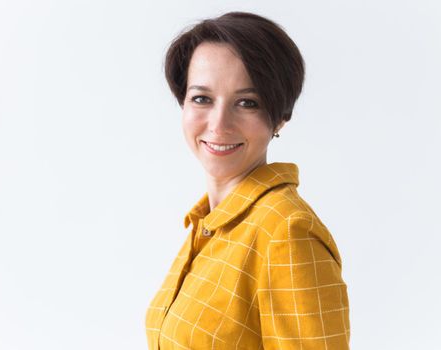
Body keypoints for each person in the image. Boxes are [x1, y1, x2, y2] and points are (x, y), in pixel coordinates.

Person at [145, 11, 350, 349]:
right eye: (202, 98)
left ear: (280, 117)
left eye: (247, 103)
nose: (219, 123)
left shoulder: (285, 232)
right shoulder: (208, 225)